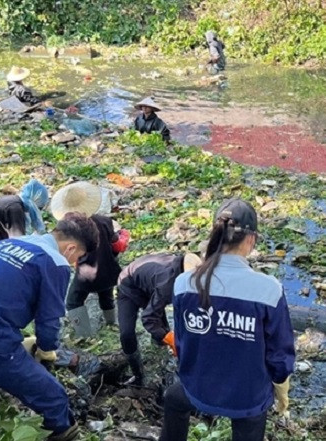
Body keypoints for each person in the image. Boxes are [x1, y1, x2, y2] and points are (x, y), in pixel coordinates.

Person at [0, 212, 100, 441]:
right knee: (54, 399)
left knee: (19, 355)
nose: (74, 263)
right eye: (78, 257)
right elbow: (48, 321)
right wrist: (47, 350)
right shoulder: (55, 261)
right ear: (71, 248)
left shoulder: (9, 243)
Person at [160, 199, 295, 441]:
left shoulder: (184, 283)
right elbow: (280, 358)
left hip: (197, 388)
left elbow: (181, 342)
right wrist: (282, 394)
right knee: (251, 420)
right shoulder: (268, 290)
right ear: (251, 240)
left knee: (173, 398)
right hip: (248, 399)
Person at [50, 182, 127, 337]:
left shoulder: (66, 229)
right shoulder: (104, 221)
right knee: (107, 296)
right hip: (109, 270)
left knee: (73, 301)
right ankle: (112, 324)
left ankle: (84, 334)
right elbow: (115, 245)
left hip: (86, 274)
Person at [116, 253, 202, 386]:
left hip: (150, 281)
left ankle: (160, 350)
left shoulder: (187, 269)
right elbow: (148, 318)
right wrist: (171, 339)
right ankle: (138, 375)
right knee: (126, 334)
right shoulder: (168, 286)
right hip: (128, 286)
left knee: (159, 327)